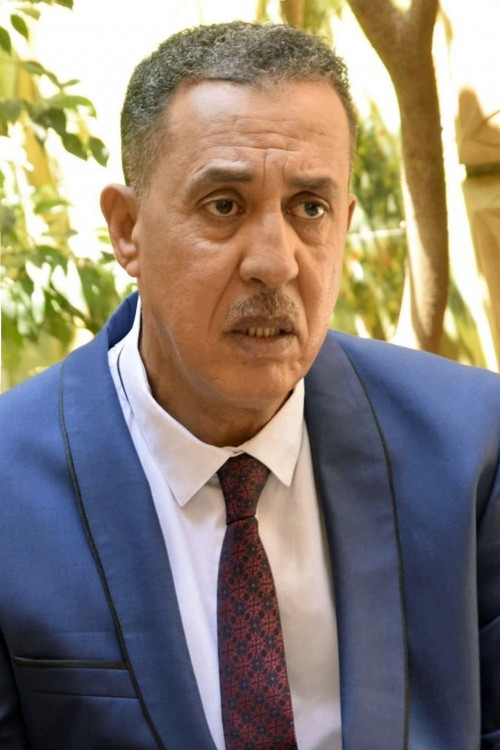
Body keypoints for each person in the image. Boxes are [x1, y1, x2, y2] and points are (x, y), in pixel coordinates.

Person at [0, 20, 499, 750]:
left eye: (309, 209)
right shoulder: (10, 485)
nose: (276, 261)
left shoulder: (472, 449)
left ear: (344, 222)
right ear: (128, 229)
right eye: (225, 206)